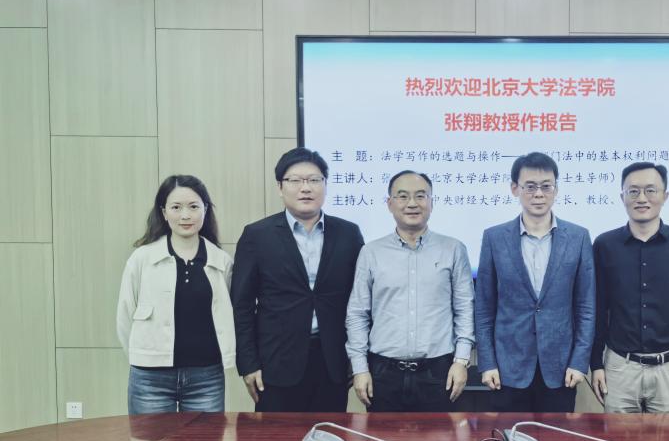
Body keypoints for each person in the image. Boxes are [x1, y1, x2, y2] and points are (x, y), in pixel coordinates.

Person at [231, 147, 363, 412]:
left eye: (314, 180)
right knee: (277, 437)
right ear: (280, 187)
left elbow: (360, 300)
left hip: (332, 362)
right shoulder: (257, 235)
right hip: (276, 363)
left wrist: (358, 360)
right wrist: (248, 364)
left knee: (329, 434)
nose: (306, 188)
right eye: (295, 180)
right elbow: (241, 305)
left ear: (325, 185)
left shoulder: (348, 234)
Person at [475, 151, 595, 413]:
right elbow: (484, 307)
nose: (538, 194)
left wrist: (579, 361)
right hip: (507, 368)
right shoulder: (494, 238)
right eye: (530, 186)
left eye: (546, 186)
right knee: (509, 437)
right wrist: (487, 362)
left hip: (561, 369)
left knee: (555, 437)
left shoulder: (578, 237)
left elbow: (586, 307)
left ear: (556, 190)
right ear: (515, 189)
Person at [346, 170, 475, 412]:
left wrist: (461, 361)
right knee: (382, 437)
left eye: (421, 196)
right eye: (403, 196)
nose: (412, 203)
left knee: (438, 437)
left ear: (432, 202)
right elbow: (357, 313)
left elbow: (464, 309)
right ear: (390, 203)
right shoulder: (371, 252)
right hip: (383, 373)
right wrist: (360, 368)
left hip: (439, 372)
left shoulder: (453, 249)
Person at [591, 162, 669, 413]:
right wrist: (596, 365)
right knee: (618, 438)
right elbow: (597, 310)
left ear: (665, 196)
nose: (642, 198)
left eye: (650, 190)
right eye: (633, 191)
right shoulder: (604, 245)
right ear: (622, 197)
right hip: (619, 367)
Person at [116, 175, 234, 414]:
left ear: (205, 209)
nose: (185, 215)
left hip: (206, 377)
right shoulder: (142, 258)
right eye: (176, 207)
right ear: (164, 212)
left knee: (204, 440)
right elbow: (125, 316)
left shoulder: (221, 261)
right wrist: (145, 356)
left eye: (193, 207)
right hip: (150, 378)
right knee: (149, 440)